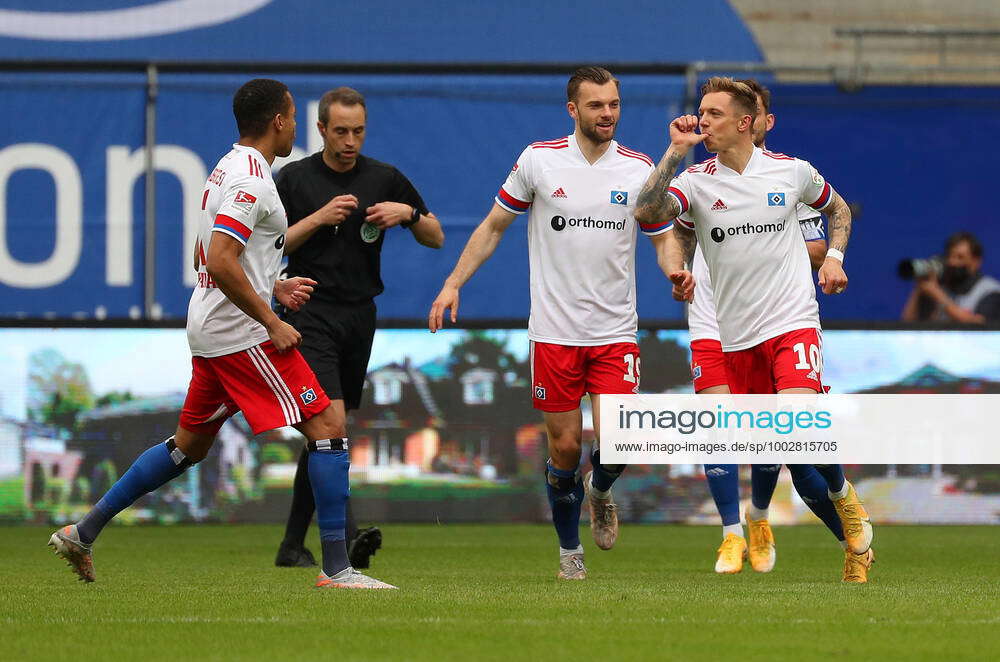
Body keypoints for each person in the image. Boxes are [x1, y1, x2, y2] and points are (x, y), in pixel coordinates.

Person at [48, 78, 395, 590]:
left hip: (212, 328)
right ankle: (338, 569)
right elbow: (217, 258)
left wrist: (272, 281)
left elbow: (207, 255)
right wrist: (272, 319)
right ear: (279, 121)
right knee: (326, 427)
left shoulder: (226, 168)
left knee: (188, 446)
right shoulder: (252, 179)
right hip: (241, 334)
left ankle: (84, 531)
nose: (296, 125)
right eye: (293, 117)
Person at [429, 66, 674, 580]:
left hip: (614, 333)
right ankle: (569, 553)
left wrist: (676, 270)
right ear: (572, 110)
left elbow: (661, 235)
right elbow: (495, 226)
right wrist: (454, 282)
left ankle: (600, 491)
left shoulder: (638, 168)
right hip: (554, 334)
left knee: (621, 441)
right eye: (596, 105)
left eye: (614, 104)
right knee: (564, 447)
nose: (607, 113)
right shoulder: (538, 161)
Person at [636, 76, 875, 583]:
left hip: (792, 322)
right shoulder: (696, 181)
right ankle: (751, 523)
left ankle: (843, 503)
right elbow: (648, 212)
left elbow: (837, 210)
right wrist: (673, 154)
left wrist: (833, 257)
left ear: (746, 123)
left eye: (714, 114)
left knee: (796, 430)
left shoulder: (792, 173)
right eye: (700, 113)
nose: (702, 122)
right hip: (733, 332)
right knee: (762, 438)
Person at [272, 87, 444, 569]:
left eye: (358, 131)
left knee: (324, 435)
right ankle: (346, 541)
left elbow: (436, 236)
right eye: (341, 131)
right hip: (308, 312)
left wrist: (407, 215)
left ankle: (291, 545)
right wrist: (319, 218)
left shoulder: (383, 177)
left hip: (359, 315)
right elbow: (272, 245)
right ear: (322, 129)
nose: (350, 141)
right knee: (332, 426)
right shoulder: (295, 178)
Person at [901, 231, 1000, 324]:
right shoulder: (940, 287)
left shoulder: (990, 290)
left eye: (960, 257)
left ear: (976, 261)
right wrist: (919, 288)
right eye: (950, 256)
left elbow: (979, 326)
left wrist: (938, 295)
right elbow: (908, 324)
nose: (952, 262)